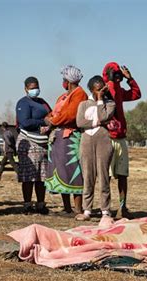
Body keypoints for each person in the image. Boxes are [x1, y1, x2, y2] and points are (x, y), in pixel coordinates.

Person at [44, 65, 87, 216]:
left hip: (70, 137)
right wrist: (50, 119)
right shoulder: (63, 96)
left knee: (73, 170)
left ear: (68, 81)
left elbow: (70, 114)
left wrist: (52, 121)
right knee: (61, 171)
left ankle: (78, 209)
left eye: (64, 79)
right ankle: (67, 207)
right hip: (58, 137)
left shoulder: (79, 94)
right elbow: (54, 113)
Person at [102, 62, 141, 219]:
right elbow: (108, 95)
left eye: (118, 73)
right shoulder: (104, 88)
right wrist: (110, 81)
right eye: (114, 72)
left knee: (122, 174)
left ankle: (122, 206)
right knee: (107, 176)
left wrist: (130, 79)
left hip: (120, 137)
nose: (117, 75)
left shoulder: (119, 90)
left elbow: (136, 94)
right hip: (107, 137)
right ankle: (106, 208)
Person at [75, 75, 116, 221]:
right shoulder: (83, 104)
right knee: (88, 175)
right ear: (91, 89)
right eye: (98, 89)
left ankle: (105, 209)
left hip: (103, 141)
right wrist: (97, 123)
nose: (101, 91)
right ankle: (87, 210)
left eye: (103, 88)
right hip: (86, 141)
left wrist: (100, 100)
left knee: (103, 175)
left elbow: (103, 116)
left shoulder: (109, 103)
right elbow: (80, 122)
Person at [16, 77, 51, 214]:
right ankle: (27, 205)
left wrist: (49, 125)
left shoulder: (42, 102)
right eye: (31, 88)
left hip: (42, 142)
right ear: (25, 89)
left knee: (41, 177)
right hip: (29, 142)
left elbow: (51, 115)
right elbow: (25, 122)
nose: (34, 90)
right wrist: (42, 122)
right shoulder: (23, 103)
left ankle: (41, 204)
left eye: (36, 87)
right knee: (28, 176)